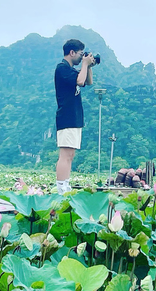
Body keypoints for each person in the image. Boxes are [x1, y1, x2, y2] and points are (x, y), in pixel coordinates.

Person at [54, 39, 95, 195]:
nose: (81, 57)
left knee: (70, 154)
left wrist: (89, 66)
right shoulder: (62, 69)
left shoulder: (71, 70)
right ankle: (61, 187)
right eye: (80, 54)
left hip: (75, 117)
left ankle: (65, 183)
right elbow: (79, 80)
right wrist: (84, 65)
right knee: (65, 154)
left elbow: (87, 82)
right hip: (66, 116)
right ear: (72, 53)